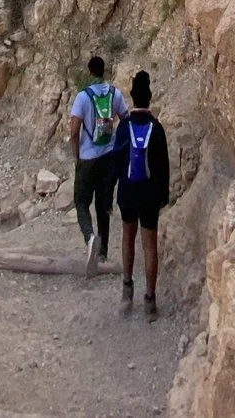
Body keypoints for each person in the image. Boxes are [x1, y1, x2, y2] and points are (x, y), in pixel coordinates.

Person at [111, 69, 170, 320]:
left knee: (127, 236)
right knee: (150, 245)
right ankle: (150, 300)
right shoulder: (157, 129)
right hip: (149, 194)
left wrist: (110, 190)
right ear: (150, 97)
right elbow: (163, 167)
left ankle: (127, 290)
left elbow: (116, 160)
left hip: (127, 190)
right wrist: (163, 196)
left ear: (133, 97)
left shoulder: (124, 127)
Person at [69, 55, 128, 275]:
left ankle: (90, 237)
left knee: (81, 201)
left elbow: (74, 130)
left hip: (87, 157)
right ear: (104, 70)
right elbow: (125, 117)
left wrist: (76, 156)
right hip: (109, 156)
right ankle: (102, 252)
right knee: (103, 204)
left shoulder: (82, 97)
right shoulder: (115, 94)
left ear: (89, 71)